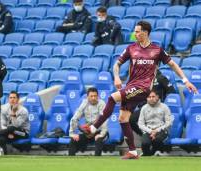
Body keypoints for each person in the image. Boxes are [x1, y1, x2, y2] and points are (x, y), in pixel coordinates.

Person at [79, 20, 197, 159]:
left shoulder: (157, 50)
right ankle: (133, 151)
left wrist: (186, 80)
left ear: (145, 33)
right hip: (131, 86)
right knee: (123, 119)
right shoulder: (131, 48)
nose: (135, 33)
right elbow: (117, 64)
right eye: (135, 31)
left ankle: (93, 128)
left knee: (112, 98)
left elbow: (172, 65)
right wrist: (116, 77)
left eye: (137, 31)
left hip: (144, 87)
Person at [129, 69, 176, 136]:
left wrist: (163, 104)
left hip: (158, 106)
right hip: (145, 106)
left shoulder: (161, 77)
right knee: (131, 120)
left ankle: (155, 136)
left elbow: (172, 92)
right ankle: (144, 135)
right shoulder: (143, 78)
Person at [68, 87, 108, 156]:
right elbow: (75, 118)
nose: (93, 98)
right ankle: (71, 162)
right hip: (88, 133)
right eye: (91, 96)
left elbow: (104, 120)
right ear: (87, 97)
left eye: (95, 96)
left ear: (98, 96)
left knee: (99, 140)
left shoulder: (102, 104)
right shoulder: (84, 103)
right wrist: (72, 133)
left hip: (99, 131)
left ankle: (97, 162)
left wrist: (101, 134)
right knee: (73, 140)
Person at [138, 90, 173, 156]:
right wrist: (151, 131)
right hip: (149, 130)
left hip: (161, 130)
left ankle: (157, 152)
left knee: (157, 140)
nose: (151, 98)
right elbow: (140, 124)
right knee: (145, 143)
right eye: (149, 97)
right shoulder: (144, 108)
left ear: (157, 97)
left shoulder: (164, 107)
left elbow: (169, 122)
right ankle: (148, 155)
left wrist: (156, 130)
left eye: (153, 96)